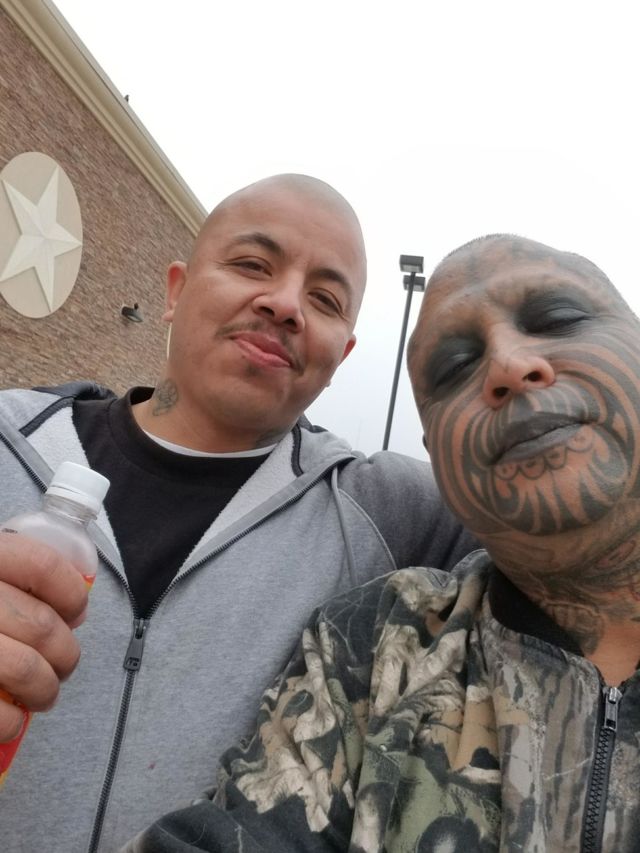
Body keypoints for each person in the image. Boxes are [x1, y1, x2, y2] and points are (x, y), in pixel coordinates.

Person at [0, 174, 474, 852]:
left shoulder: (387, 512)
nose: (286, 305)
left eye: (325, 299)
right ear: (175, 290)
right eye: (253, 264)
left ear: (340, 357)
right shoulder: (9, 439)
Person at [123, 234, 640, 853]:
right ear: (435, 455)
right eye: (454, 369)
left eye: (557, 319)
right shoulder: (369, 648)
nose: (507, 366)